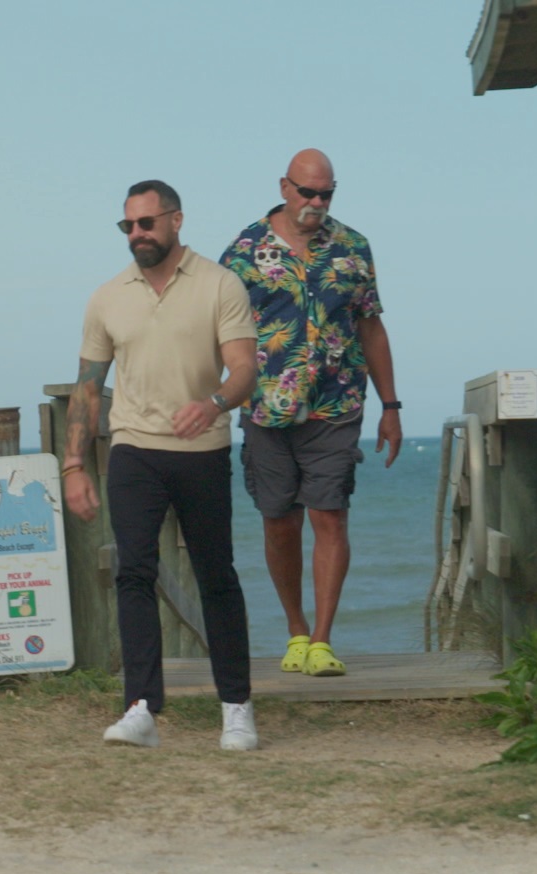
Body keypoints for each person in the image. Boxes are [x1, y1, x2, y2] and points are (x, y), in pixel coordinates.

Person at [64, 180, 260, 751]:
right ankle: (141, 708)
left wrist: (214, 404)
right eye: (127, 225)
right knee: (133, 572)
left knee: (215, 576)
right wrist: (73, 464)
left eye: (146, 223)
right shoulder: (107, 297)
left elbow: (245, 369)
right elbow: (88, 386)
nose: (137, 234)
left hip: (203, 451)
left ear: (176, 221)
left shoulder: (220, 284)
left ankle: (236, 707)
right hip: (134, 448)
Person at [218, 149, 401, 679]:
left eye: (327, 194)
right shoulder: (244, 251)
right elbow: (221, 332)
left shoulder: (353, 247)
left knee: (330, 514)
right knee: (279, 522)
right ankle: (296, 630)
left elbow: (371, 326)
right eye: (308, 192)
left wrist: (391, 406)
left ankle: (322, 640)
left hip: (336, 404)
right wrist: (213, 400)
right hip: (265, 408)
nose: (317, 203)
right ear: (284, 187)